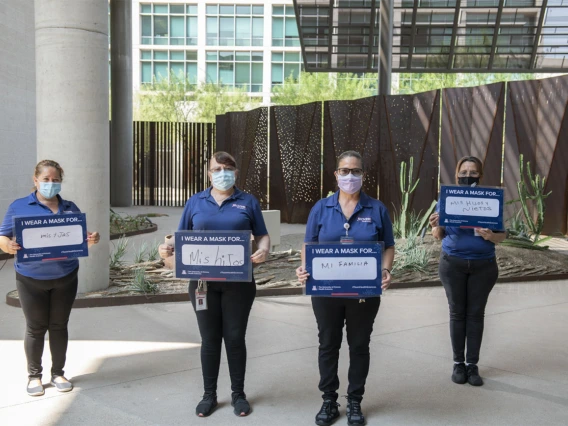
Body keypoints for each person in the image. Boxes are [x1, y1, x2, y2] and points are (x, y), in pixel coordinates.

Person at [159, 151, 270, 418]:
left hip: (239, 283)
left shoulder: (248, 202)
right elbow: (179, 239)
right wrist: (166, 251)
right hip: (202, 283)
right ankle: (209, 395)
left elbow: (263, 236)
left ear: (235, 171)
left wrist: (263, 251)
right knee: (209, 340)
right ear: (209, 173)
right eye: (216, 168)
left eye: (227, 167)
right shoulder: (195, 202)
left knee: (234, 339)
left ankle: (238, 395)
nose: (222, 172)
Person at [296, 150, 395, 426]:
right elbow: (309, 244)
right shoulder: (321, 208)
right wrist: (304, 268)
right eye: (344, 171)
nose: (350, 176)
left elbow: (388, 246)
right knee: (328, 344)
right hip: (326, 292)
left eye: (356, 171)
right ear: (336, 174)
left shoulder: (377, 209)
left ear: (363, 174)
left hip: (363, 293)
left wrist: (386, 269)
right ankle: (329, 400)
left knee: (359, 345)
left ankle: (354, 401)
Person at [0, 160, 100, 397]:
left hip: (65, 277)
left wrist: (92, 239)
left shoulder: (70, 208)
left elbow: (82, 235)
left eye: (55, 180)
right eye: (46, 179)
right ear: (35, 180)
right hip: (30, 278)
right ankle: (34, 376)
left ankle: (58, 373)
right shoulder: (19, 206)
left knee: (59, 325)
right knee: (35, 328)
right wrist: (8, 245)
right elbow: (2, 236)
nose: (51, 184)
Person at [429, 156, 506, 387]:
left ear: (480, 176)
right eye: (464, 172)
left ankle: (472, 365)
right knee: (456, 313)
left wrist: (491, 235)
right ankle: (458, 364)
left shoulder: (491, 200)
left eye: (473, 173)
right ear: (457, 174)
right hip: (453, 264)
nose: (468, 176)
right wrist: (435, 226)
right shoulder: (447, 198)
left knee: (475, 314)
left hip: (483, 265)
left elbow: (502, 235)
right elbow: (438, 235)